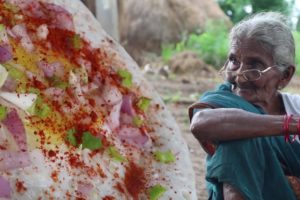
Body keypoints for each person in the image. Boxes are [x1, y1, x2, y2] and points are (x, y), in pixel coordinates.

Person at [189, 12, 300, 200]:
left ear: (285, 75)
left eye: (255, 64)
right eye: (234, 61)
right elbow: (201, 123)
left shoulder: (296, 106)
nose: (239, 74)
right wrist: (291, 125)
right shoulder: (220, 100)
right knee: (237, 136)